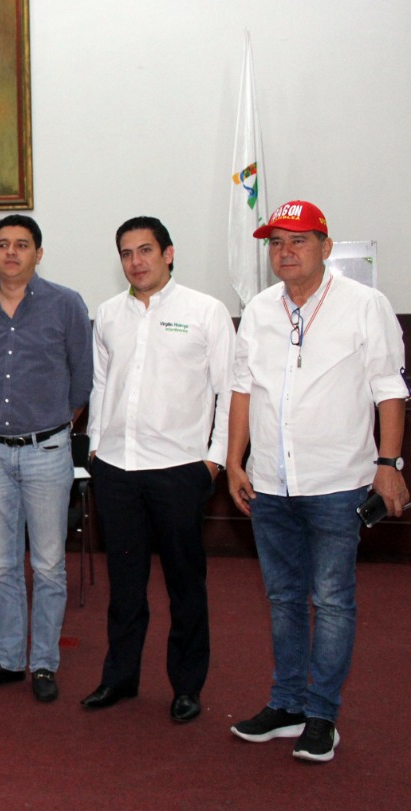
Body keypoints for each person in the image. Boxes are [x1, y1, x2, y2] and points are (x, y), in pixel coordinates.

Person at [226, 200, 408, 763]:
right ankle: (287, 704)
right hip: (270, 482)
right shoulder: (259, 310)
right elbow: (241, 389)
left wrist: (389, 464)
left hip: (337, 482)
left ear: (326, 247)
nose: (286, 252)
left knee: (331, 600)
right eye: (276, 242)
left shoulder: (364, 304)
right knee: (283, 597)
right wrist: (234, 462)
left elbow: (389, 388)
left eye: (299, 240)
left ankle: (322, 714)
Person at [81, 217, 234, 723]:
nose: (136, 262)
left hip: (179, 469)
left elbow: (229, 391)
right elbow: (101, 384)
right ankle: (119, 678)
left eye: (145, 250)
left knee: (184, 585)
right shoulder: (108, 314)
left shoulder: (206, 311)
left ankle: (186, 686)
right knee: (124, 585)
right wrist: (96, 448)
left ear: (168, 253)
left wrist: (214, 460)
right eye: (127, 253)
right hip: (117, 468)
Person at [0, 215, 93, 704]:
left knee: (49, 565)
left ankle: (43, 663)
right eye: (2, 244)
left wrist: (52, 423)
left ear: (38, 253)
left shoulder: (66, 304)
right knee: (0, 567)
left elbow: (82, 380)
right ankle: (10, 658)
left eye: (21, 244)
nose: (11, 252)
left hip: (47, 451)